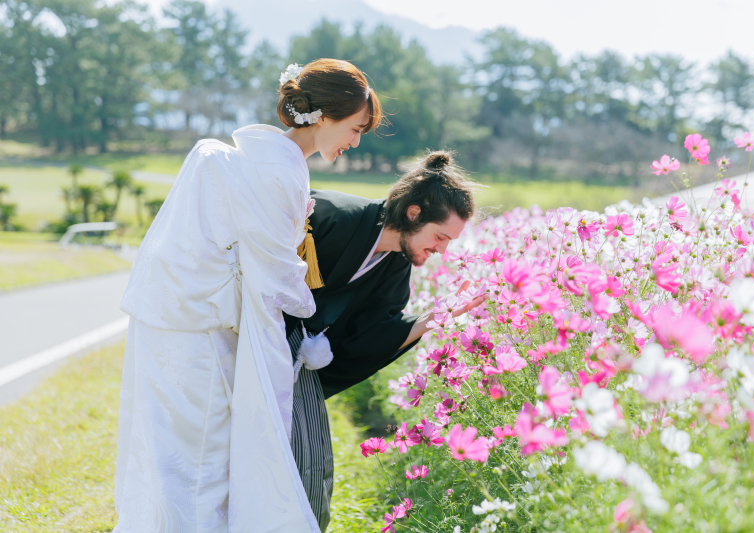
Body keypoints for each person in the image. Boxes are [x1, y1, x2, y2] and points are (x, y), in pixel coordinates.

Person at [113, 59, 382, 533]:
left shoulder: (258, 155)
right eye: (355, 128)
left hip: (173, 314)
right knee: (203, 455)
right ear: (323, 116)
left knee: (170, 447)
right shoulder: (282, 171)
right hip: (203, 328)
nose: (355, 141)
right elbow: (277, 275)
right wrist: (309, 318)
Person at [287, 151, 487, 531]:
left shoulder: (395, 265)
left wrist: (437, 315)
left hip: (293, 366)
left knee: (312, 469)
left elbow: (371, 337)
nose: (442, 249)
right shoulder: (330, 215)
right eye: (440, 236)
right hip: (247, 341)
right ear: (414, 213)